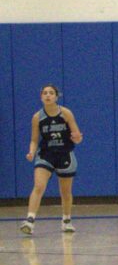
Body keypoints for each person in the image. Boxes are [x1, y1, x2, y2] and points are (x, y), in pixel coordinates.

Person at [20, 84, 84, 235]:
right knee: (39, 186)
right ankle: (30, 221)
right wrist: (31, 152)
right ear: (41, 97)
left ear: (56, 96)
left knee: (65, 191)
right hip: (46, 154)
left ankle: (66, 221)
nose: (48, 95)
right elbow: (35, 140)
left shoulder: (66, 113)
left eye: (51, 93)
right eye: (45, 93)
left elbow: (77, 136)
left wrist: (77, 138)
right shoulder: (37, 117)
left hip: (65, 154)